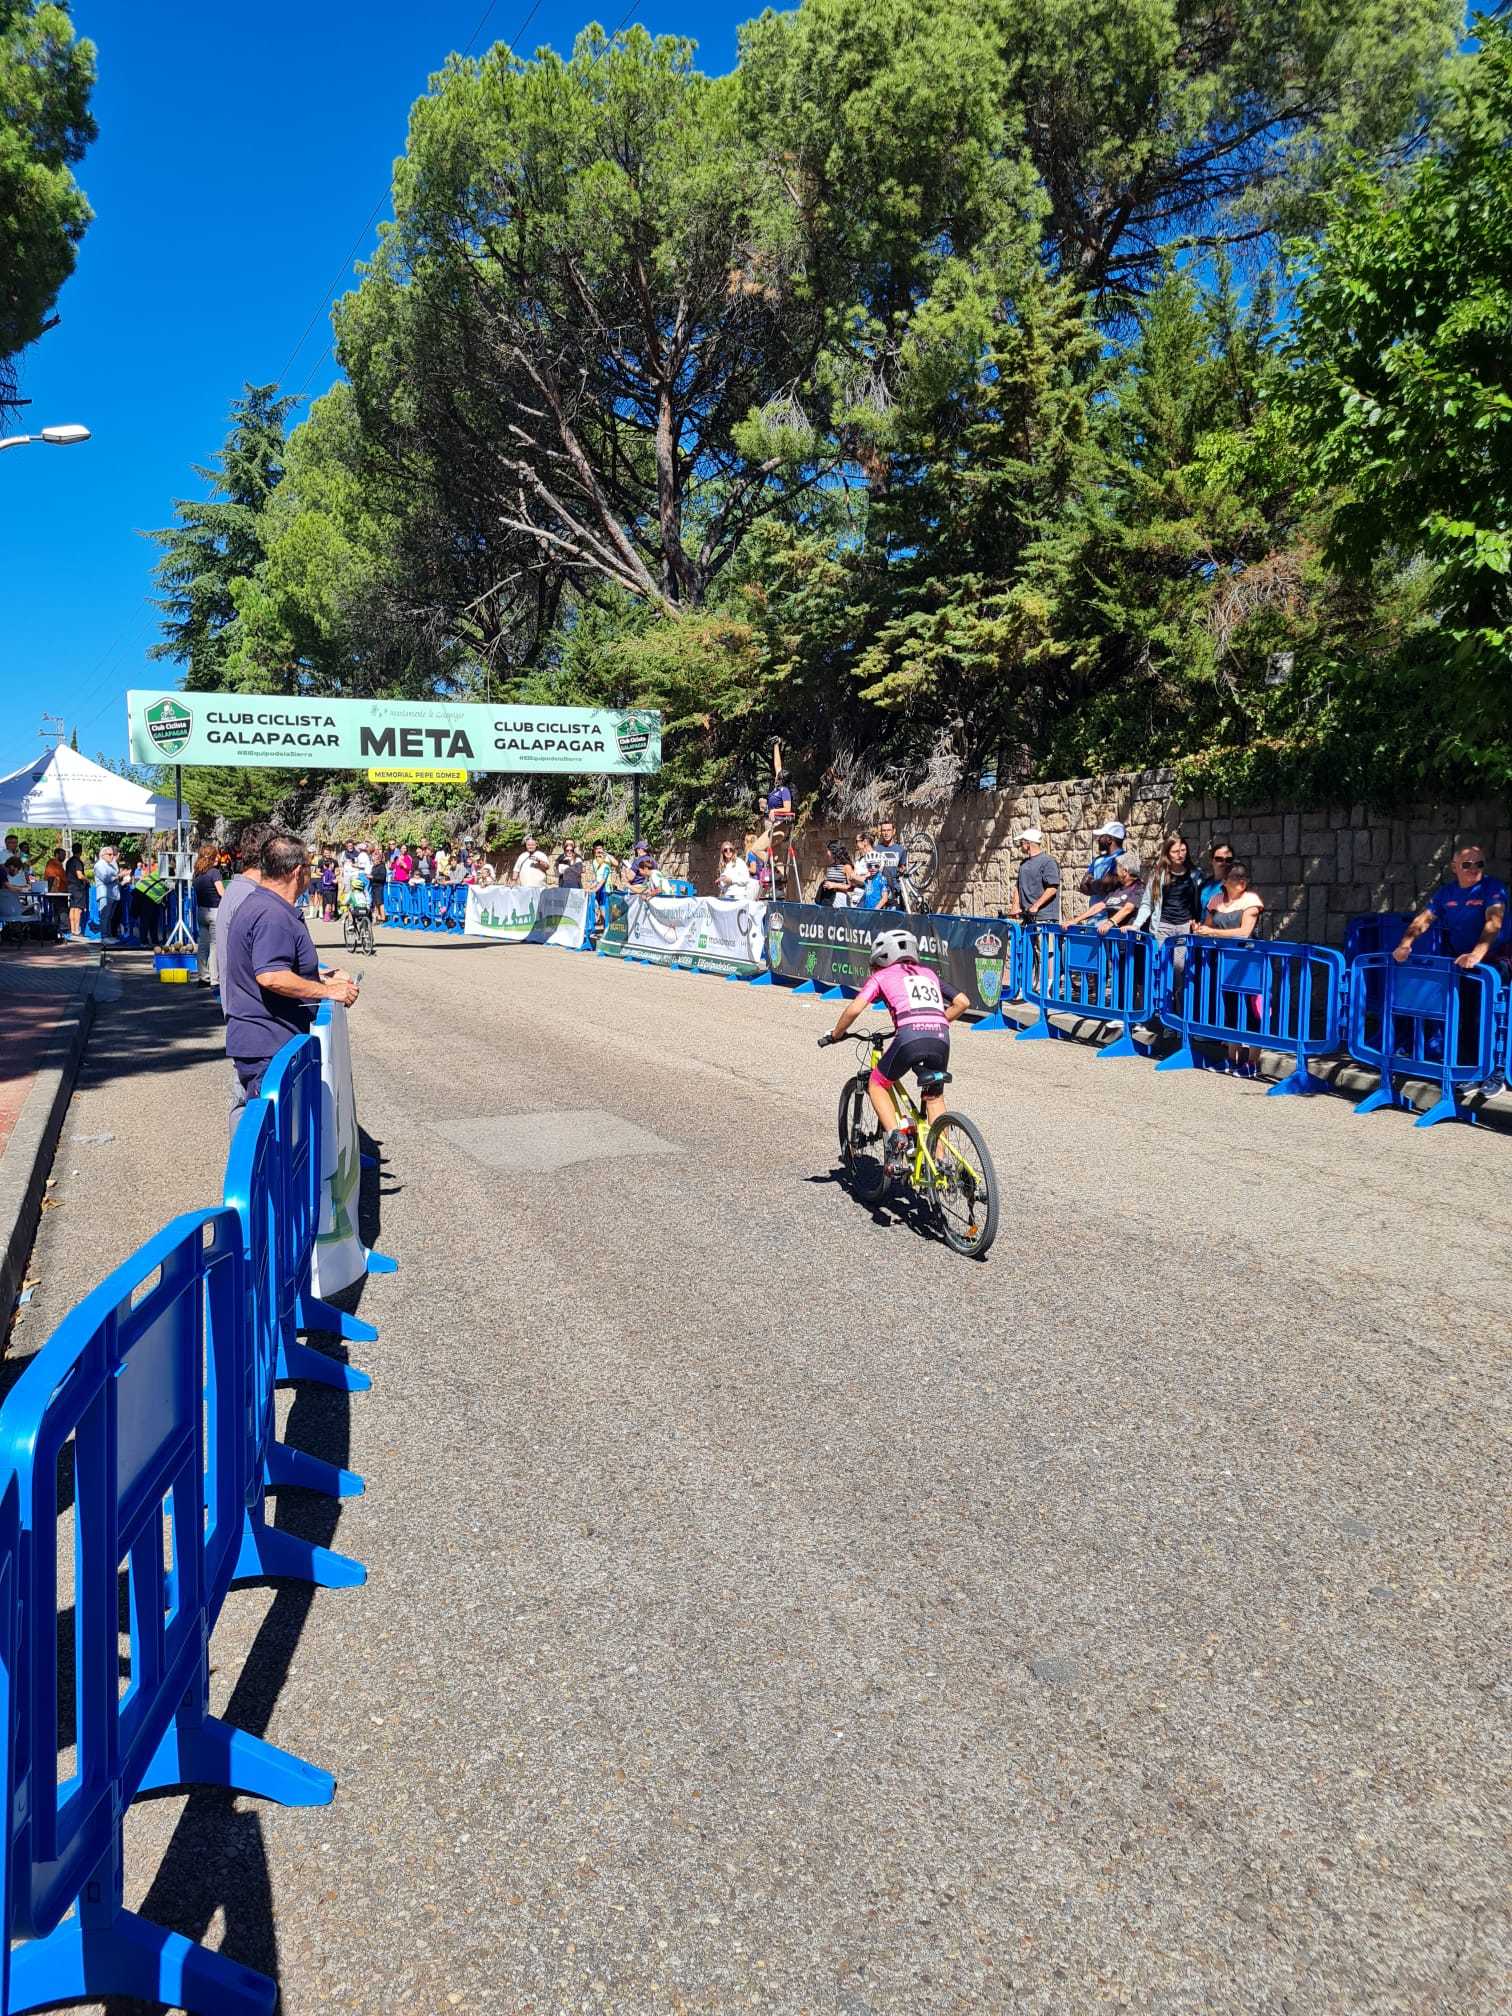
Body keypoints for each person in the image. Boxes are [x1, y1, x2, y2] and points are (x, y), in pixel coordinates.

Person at [219, 833, 358, 1128]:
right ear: (297, 871)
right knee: (272, 1133)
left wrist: (322, 974)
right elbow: (271, 975)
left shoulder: (261, 904)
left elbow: (275, 963)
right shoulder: (271, 914)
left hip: (267, 1039)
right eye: (309, 867)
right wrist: (327, 991)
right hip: (267, 1043)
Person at [824, 927, 970, 1176]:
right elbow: (963, 1002)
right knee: (934, 1097)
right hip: (940, 1037)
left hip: (909, 1037)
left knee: (877, 1084)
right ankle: (941, 1159)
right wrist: (936, 1020)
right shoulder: (929, 973)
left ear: (881, 959)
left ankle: (895, 1137)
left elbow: (854, 1009)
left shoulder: (882, 977)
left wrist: (836, 1034)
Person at [1393, 843, 1512, 980]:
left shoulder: (1493, 887)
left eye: (1479, 864)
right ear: (1454, 867)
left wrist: (1476, 955)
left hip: (1495, 958)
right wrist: (1404, 945)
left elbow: (1494, 922)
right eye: (1467, 865)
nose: (1473, 869)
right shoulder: (1446, 892)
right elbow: (1423, 920)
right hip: (1461, 958)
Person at [1193, 861, 1266, 1072]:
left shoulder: (1251, 901)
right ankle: (1232, 1058)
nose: (1223, 885)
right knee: (1230, 1005)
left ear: (1241, 883)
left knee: (1252, 1009)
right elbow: (1208, 924)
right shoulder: (1217, 900)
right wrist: (1200, 929)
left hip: (1248, 960)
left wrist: (1213, 933)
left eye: (1228, 881)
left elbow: (1244, 932)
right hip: (1225, 960)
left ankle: (1253, 1062)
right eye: (1223, 881)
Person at [1135, 833, 1204, 943]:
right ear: (1167, 854)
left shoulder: (1195, 875)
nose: (1180, 855)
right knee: (1161, 960)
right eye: (1175, 852)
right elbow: (1147, 903)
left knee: (1179, 961)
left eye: (1183, 850)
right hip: (1162, 926)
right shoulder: (1158, 876)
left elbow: (1200, 903)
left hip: (1184, 927)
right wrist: (1136, 925)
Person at [1081, 851, 1143, 933]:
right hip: (1114, 938)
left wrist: (1109, 923)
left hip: (1129, 939)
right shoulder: (1117, 889)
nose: (1115, 872)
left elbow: (1127, 909)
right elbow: (1100, 906)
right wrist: (1076, 919)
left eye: (1117, 868)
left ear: (1125, 871)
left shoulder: (1139, 887)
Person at [192, 844, 225, 987]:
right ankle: (214, 979)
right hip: (215, 911)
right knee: (215, 946)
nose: (218, 857)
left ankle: (202, 977)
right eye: (216, 855)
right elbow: (221, 892)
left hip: (201, 912)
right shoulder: (214, 873)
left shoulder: (197, 873)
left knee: (203, 944)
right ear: (212, 857)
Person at [1015, 828, 1061, 925]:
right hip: (1028, 918)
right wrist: (1015, 906)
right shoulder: (1023, 864)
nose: (1019, 846)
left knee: (1044, 940)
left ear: (1028, 844)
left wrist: (1036, 906)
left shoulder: (1048, 862)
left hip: (1044, 918)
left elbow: (1052, 888)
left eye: (1021, 843)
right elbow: (1018, 886)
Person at [1079, 821, 1126, 897]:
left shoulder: (1122, 858)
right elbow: (1082, 887)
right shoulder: (1097, 860)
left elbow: (1106, 884)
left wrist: (1091, 882)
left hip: (1112, 908)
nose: (1098, 840)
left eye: (1101, 836)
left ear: (1109, 839)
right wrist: (1098, 884)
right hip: (1094, 908)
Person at [873, 820, 908, 908]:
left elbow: (902, 866)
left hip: (895, 890)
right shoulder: (876, 849)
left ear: (893, 831)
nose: (886, 833)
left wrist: (902, 870)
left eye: (888, 830)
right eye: (884, 830)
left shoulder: (900, 850)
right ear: (881, 832)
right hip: (880, 890)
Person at [1199, 840, 1236, 920]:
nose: (1224, 863)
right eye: (1219, 859)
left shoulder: (1237, 887)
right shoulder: (1203, 885)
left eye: (1228, 860)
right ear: (1211, 861)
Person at [816, 840, 860, 907]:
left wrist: (834, 885)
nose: (827, 853)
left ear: (834, 851)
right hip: (828, 898)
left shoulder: (846, 867)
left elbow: (851, 888)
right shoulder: (831, 866)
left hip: (840, 899)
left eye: (828, 850)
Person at [93, 846, 121, 941]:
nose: (112, 856)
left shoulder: (110, 865)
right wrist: (118, 876)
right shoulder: (99, 865)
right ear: (102, 855)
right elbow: (105, 878)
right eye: (109, 854)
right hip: (104, 893)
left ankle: (108, 935)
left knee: (109, 917)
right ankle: (104, 936)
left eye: (113, 854)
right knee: (105, 916)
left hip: (112, 894)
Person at [65, 843, 88, 937]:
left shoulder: (69, 861)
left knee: (72, 908)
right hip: (78, 888)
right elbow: (79, 875)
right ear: (80, 851)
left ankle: (72, 929)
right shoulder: (78, 862)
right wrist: (87, 879)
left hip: (70, 886)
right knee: (78, 909)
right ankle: (77, 930)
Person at [367, 844, 388, 921]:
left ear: (379, 859)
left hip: (379, 886)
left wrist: (373, 877)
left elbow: (382, 877)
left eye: (375, 859)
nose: (374, 861)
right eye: (373, 860)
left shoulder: (382, 866)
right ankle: (378, 916)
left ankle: (383, 917)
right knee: (375, 903)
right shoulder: (374, 867)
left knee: (380, 902)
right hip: (374, 886)